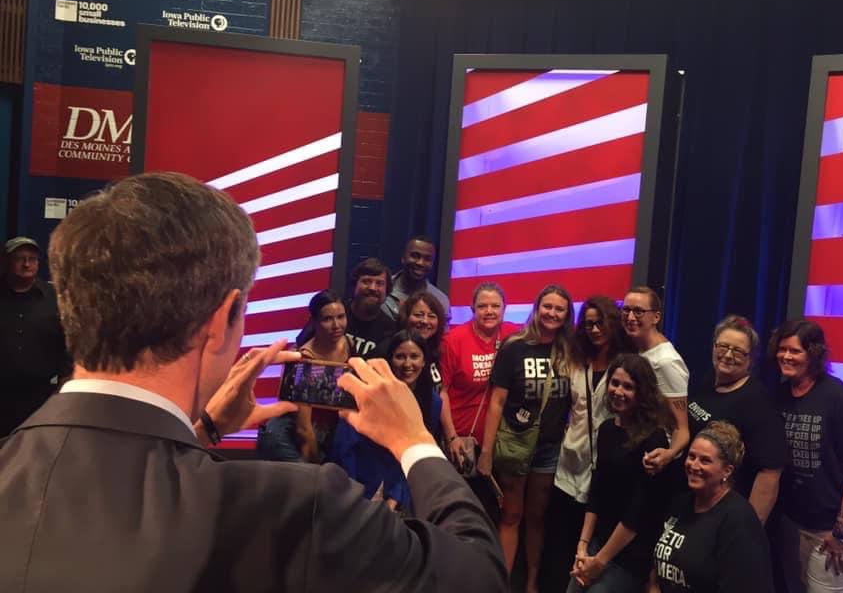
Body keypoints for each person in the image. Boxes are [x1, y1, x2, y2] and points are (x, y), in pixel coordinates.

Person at [0, 172, 506, 593]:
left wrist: (202, 430)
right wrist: (414, 441)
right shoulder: (299, 507)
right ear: (222, 319)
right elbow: (478, 574)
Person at [480, 284, 574, 593]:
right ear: (537, 308)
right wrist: (486, 452)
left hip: (549, 448)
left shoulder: (570, 351)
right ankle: (503, 583)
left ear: (567, 314)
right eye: (547, 306)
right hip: (515, 444)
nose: (552, 313)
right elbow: (496, 402)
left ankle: (532, 583)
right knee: (511, 515)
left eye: (559, 309)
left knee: (537, 518)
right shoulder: (515, 347)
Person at [771, 319, 843, 593]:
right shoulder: (780, 395)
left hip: (840, 532)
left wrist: (841, 532)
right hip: (799, 525)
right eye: (782, 349)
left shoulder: (839, 397)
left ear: (813, 354)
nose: (786, 356)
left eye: (795, 351)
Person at [568, 354, 680, 593]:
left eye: (628, 387)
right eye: (615, 383)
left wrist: (600, 562)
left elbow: (637, 512)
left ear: (642, 393)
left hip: (630, 551)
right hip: (599, 541)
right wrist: (582, 547)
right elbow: (596, 491)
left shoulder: (654, 438)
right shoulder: (607, 429)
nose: (618, 391)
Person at [541, 296, 630, 592]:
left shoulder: (624, 365)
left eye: (600, 323)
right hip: (570, 464)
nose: (594, 329)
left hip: (605, 468)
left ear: (612, 323)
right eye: (589, 324)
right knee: (560, 542)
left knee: (593, 542)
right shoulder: (577, 361)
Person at [687, 315, 787, 524]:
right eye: (723, 346)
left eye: (738, 351)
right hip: (696, 503)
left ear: (751, 359)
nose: (728, 355)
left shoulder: (758, 402)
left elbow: (770, 473)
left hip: (727, 514)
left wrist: (749, 529)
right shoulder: (707, 382)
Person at [653, 421, 775, 593]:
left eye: (705, 461)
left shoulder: (739, 520)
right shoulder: (680, 504)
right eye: (691, 456)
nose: (694, 466)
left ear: (727, 471)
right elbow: (656, 572)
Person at [333, 330, 442, 512]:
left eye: (414, 356)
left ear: (424, 361)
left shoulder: (433, 402)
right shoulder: (366, 393)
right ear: (390, 360)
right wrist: (354, 495)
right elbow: (345, 447)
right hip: (358, 484)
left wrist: (395, 495)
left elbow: (417, 453)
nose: (407, 364)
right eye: (400, 357)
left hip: (401, 488)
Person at [439, 282, 520, 519]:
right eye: (483, 306)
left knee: (494, 512)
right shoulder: (454, 340)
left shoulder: (514, 335)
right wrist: (451, 436)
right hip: (463, 439)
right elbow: (442, 391)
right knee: (459, 510)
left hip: (500, 442)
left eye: (495, 306)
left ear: (504, 309)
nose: (489, 311)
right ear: (473, 308)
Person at [256, 290, 352, 462]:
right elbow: (303, 429)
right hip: (291, 433)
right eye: (327, 319)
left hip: (328, 429)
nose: (336, 325)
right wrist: (315, 468)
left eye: (341, 317)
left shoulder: (348, 343)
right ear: (314, 322)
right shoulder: (305, 359)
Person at [0, 236, 72, 436]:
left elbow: (68, 340)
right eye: (19, 258)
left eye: (32, 259)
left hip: (42, 396)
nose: (27, 264)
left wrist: (65, 379)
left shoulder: (55, 297)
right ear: (5, 262)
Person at [620, 285, 690, 474]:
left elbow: (681, 428)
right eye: (626, 310)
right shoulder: (639, 348)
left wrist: (669, 455)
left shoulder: (666, 361)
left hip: (653, 457)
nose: (630, 317)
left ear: (656, 317)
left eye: (639, 311)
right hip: (635, 445)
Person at [382, 235, 450, 320]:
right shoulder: (381, 289)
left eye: (427, 259)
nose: (420, 263)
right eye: (415, 256)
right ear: (403, 258)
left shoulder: (440, 300)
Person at [392, 290, 447, 392]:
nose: (425, 321)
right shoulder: (391, 348)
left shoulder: (436, 351)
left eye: (431, 316)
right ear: (406, 317)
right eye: (418, 315)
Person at [345, 257, 395, 358]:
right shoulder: (336, 314)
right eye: (366, 281)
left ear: (387, 290)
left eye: (379, 283)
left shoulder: (391, 331)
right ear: (355, 284)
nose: (372, 288)